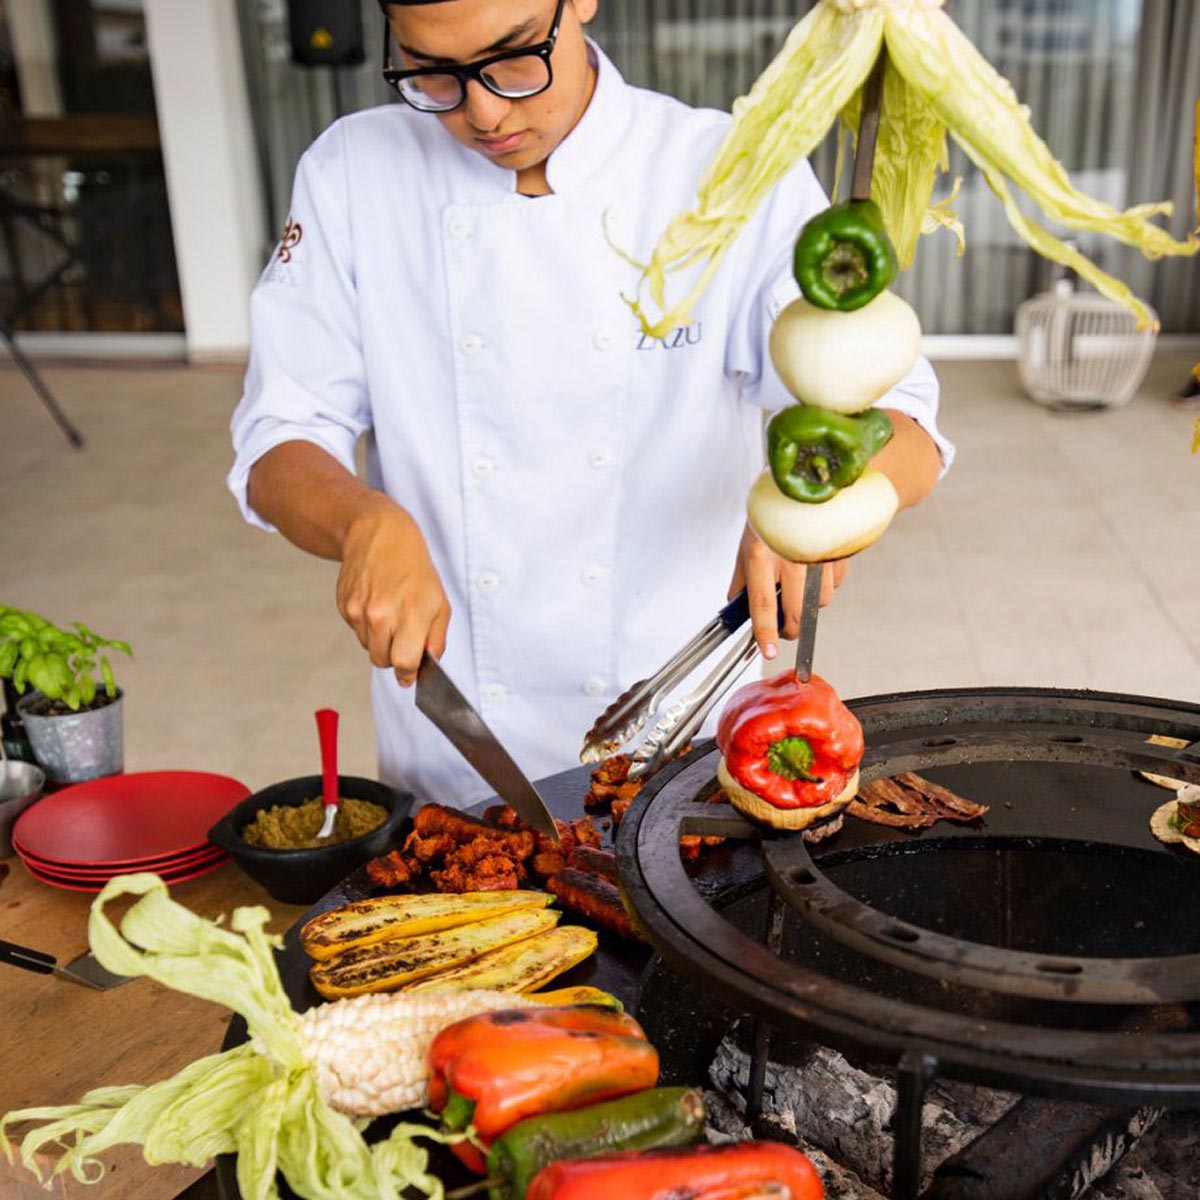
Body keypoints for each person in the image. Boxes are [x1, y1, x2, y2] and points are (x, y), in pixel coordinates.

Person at [229, 0, 953, 808]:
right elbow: (280, 439)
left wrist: (817, 501)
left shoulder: (728, 170)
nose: (483, 112)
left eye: (512, 57)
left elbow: (907, 428)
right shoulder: (353, 172)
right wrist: (361, 522)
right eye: (432, 73)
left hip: (682, 735)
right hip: (459, 754)